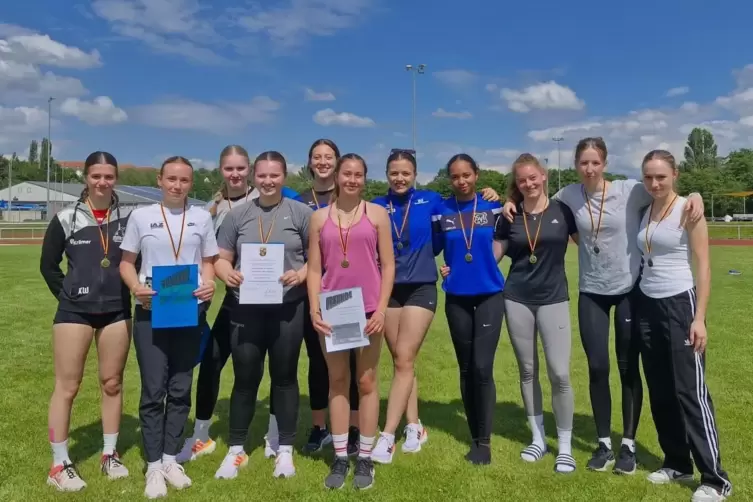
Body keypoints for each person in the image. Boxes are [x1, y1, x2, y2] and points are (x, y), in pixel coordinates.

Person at [503, 137, 704, 474]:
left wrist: (695, 195)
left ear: (605, 163)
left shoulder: (630, 190)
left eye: (595, 162)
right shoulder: (567, 195)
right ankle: (602, 444)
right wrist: (508, 200)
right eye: (584, 163)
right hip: (591, 292)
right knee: (597, 367)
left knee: (628, 368)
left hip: (628, 291)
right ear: (576, 165)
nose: (590, 168)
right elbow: (533, 199)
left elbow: (666, 191)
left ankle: (627, 443)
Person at [370, 150, 502, 463]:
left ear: (415, 174)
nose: (400, 178)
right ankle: (414, 425)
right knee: (401, 359)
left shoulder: (432, 201)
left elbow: (463, 224)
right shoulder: (374, 205)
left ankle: (391, 434)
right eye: (394, 173)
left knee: (405, 356)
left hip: (421, 286)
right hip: (386, 289)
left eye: (405, 173)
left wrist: (497, 195)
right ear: (387, 174)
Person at [178, 145, 299, 464]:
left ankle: (276, 435)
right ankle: (202, 433)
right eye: (229, 169)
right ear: (221, 171)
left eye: (241, 169)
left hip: (279, 302)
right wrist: (223, 273)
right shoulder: (214, 208)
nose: (236, 174)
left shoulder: (287, 206)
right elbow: (213, 255)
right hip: (238, 300)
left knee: (281, 369)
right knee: (215, 361)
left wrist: (297, 275)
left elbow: (309, 255)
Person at [119, 156, 218, 499]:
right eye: (171, 179)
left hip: (189, 312)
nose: (177, 185)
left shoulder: (202, 217)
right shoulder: (141, 216)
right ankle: (152, 466)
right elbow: (126, 264)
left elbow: (208, 262)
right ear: (160, 180)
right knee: (153, 390)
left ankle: (170, 457)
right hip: (150, 311)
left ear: (192, 183)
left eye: (185, 180)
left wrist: (210, 283)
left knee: (180, 387)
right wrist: (135, 287)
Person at [635, 150, 732, 502]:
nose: (654, 183)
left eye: (661, 176)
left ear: (675, 174)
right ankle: (677, 461)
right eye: (648, 177)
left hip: (681, 303)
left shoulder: (688, 208)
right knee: (660, 391)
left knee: (690, 392)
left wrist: (700, 317)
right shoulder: (645, 210)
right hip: (647, 305)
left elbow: (703, 266)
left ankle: (715, 479)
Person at [211, 151, 312, 480]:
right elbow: (222, 259)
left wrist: (301, 274)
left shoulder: (301, 213)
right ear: (254, 177)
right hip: (246, 307)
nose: (268, 181)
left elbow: (317, 260)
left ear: (285, 177)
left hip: (288, 307)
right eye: (263, 175)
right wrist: (227, 274)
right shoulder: (237, 215)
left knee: (284, 378)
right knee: (244, 379)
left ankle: (285, 450)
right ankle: (236, 449)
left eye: (275, 175)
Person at [40, 151, 132, 491]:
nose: (103, 182)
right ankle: (59, 463)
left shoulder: (128, 218)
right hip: (74, 313)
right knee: (68, 387)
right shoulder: (66, 218)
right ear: (86, 177)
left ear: (116, 178)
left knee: (112, 382)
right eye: (96, 176)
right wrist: (68, 296)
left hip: (117, 311)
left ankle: (110, 454)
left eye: (109, 176)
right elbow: (48, 266)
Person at [267, 138, 362, 458]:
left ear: (337, 162)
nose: (323, 162)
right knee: (318, 361)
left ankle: (352, 427)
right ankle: (320, 425)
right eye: (317, 157)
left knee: (349, 361)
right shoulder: (296, 199)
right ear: (309, 162)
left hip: (346, 289)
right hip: (309, 291)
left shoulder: (350, 197)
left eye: (329, 157)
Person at [307, 153, 395, 490]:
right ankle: (341, 456)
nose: (352, 180)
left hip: (370, 309)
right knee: (338, 380)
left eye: (359, 174)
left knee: (368, 382)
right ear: (338, 177)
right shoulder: (319, 218)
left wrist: (383, 310)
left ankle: (366, 458)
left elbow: (388, 265)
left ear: (365, 178)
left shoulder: (377, 215)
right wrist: (315, 309)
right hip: (334, 309)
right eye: (347, 174)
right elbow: (315, 269)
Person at [494, 154, 579, 473]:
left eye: (532, 177)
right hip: (517, 297)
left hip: (554, 298)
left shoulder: (562, 211)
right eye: (521, 180)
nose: (527, 184)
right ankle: (538, 438)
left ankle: (566, 446)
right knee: (527, 370)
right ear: (516, 184)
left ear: (543, 176)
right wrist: (458, 268)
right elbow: (494, 255)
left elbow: (588, 243)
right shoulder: (509, 214)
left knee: (559, 373)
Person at [435, 153, 505, 466]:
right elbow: (430, 246)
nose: (461, 181)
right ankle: (474, 436)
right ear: (449, 179)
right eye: (455, 176)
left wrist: (500, 195)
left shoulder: (493, 206)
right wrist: (441, 269)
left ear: (476, 175)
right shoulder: (441, 210)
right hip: (457, 297)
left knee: (481, 367)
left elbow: (508, 239)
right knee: (465, 367)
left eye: (467, 175)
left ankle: (485, 441)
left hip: (490, 294)